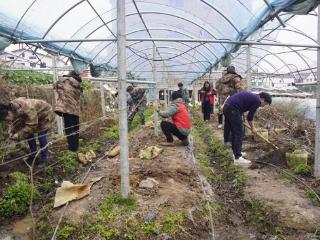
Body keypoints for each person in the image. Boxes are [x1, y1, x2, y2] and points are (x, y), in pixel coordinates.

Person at [0, 98, 54, 168]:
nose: (8, 122)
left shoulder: (27, 108)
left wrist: (18, 135)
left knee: (41, 136)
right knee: (28, 135)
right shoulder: (12, 108)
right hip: (34, 116)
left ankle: (44, 159)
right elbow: (17, 122)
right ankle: (33, 155)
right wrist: (12, 131)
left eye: (7, 120)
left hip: (45, 115)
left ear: (9, 113)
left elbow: (32, 125)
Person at [223, 91, 272, 165]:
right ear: (262, 99)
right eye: (266, 103)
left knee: (235, 131)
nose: (264, 106)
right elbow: (250, 117)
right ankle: (238, 158)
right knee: (239, 133)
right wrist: (253, 128)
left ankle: (236, 152)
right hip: (233, 109)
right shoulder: (257, 101)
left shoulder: (252, 97)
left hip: (227, 107)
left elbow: (241, 105)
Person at [54, 70, 82, 152]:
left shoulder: (65, 83)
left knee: (69, 128)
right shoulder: (78, 85)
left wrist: (64, 78)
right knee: (75, 128)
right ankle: (76, 147)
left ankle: (72, 148)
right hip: (75, 110)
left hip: (67, 109)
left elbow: (55, 85)